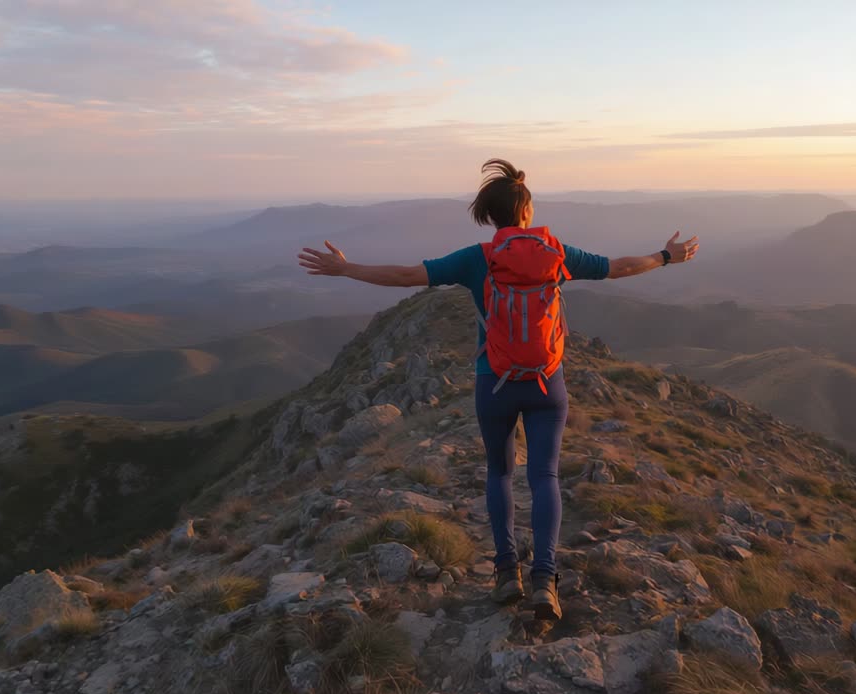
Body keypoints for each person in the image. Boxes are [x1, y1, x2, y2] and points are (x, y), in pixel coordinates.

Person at [298, 159, 698, 620]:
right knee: (545, 477)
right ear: (527, 211)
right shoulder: (557, 253)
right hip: (548, 384)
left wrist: (346, 269)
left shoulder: (477, 259)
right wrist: (667, 257)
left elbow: (407, 275)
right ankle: (546, 580)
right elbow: (621, 268)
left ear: (491, 218)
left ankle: (508, 572)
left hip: (495, 382)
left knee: (500, 473)